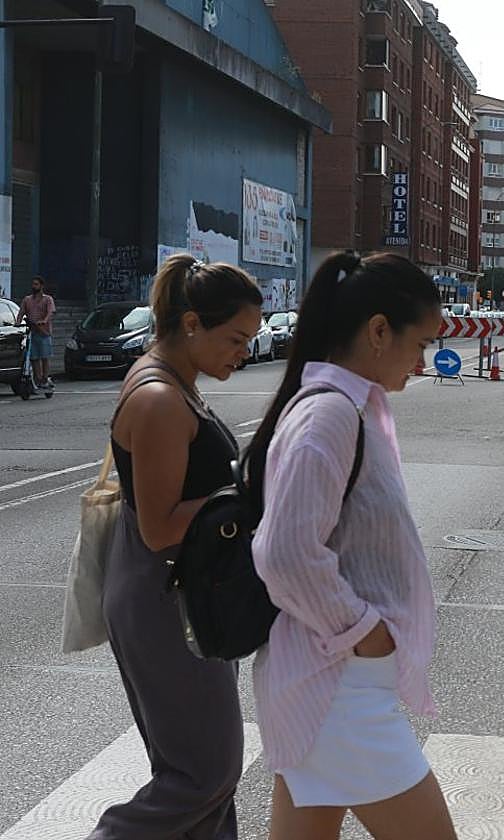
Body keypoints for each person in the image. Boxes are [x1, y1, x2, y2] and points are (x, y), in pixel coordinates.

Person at [247, 251, 455, 840]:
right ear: (379, 331)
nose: (423, 362)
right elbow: (284, 552)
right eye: (419, 345)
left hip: (328, 679)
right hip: (337, 684)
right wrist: (365, 629)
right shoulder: (331, 416)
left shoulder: (347, 407)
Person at [91, 254, 263, 839]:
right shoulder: (161, 398)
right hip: (164, 600)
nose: (243, 352)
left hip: (177, 593)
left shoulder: (173, 382)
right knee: (203, 773)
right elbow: (160, 524)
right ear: (192, 324)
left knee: (204, 778)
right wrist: (246, 499)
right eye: (236, 338)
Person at [16, 275, 55, 389]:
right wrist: (18, 322)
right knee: (33, 357)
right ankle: (37, 379)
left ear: (41, 286)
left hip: (44, 332)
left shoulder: (47, 299)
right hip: (32, 332)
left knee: (45, 356)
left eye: (36, 284)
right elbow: (21, 312)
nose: (34, 286)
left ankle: (45, 378)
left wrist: (44, 320)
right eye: (33, 284)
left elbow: (50, 313)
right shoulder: (27, 299)